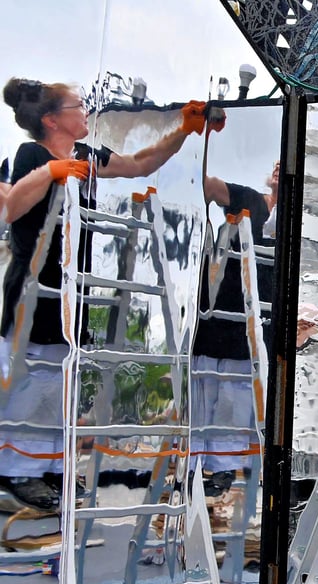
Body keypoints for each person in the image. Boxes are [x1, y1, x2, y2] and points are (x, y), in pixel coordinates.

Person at [0, 77, 211, 511]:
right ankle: (19, 470)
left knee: (59, 383)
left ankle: (51, 468)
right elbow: (11, 208)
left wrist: (183, 129)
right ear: (52, 118)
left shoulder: (85, 156)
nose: (86, 113)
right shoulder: (32, 155)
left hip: (70, 290)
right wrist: (49, 173)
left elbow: (138, 164)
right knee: (30, 379)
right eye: (78, 106)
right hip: (34, 285)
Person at [191, 161, 278, 497]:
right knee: (203, 395)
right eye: (275, 163)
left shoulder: (300, 219)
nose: (279, 166)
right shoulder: (250, 200)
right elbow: (206, 185)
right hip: (214, 317)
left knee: (234, 400)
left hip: (252, 331)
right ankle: (192, 464)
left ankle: (221, 469)